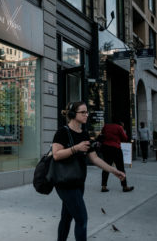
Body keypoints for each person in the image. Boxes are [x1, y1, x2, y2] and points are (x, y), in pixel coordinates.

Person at [52, 102, 126, 241]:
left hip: (79, 181)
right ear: (73, 114)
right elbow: (56, 155)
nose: (87, 115)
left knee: (66, 217)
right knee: (82, 219)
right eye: (83, 112)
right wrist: (76, 148)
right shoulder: (62, 132)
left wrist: (114, 171)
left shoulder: (84, 134)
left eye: (87, 112)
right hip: (64, 182)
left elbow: (95, 158)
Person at [100, 120, 134, 192]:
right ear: (121, 124)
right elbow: (125, 138)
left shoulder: (106, 126)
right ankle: (124, 186)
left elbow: (102, 134)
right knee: (120, 167)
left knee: (106, 166)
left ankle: (103, 186)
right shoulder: (119, 127)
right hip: (115, 148)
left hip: (106, 148)